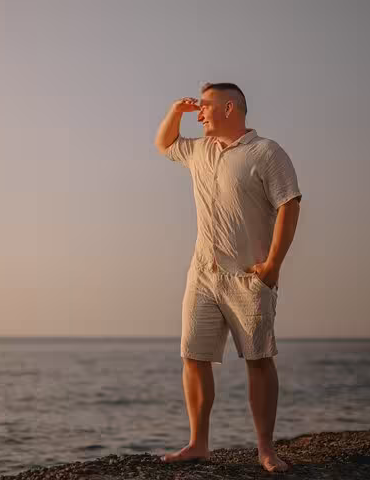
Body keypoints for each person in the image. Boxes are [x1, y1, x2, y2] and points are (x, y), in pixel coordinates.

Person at [153, 83, 302, 472]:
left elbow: (290, 203)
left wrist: (273, 265)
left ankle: (266, 450)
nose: (199, 113)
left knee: (258, 358)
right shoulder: (199, 150)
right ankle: (198, 443)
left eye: (205, 107)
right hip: (203, 273)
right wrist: (176, 110)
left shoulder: (266, 152)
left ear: (229, 108)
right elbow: (164, 144)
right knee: (193, 355)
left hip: (249, 276)